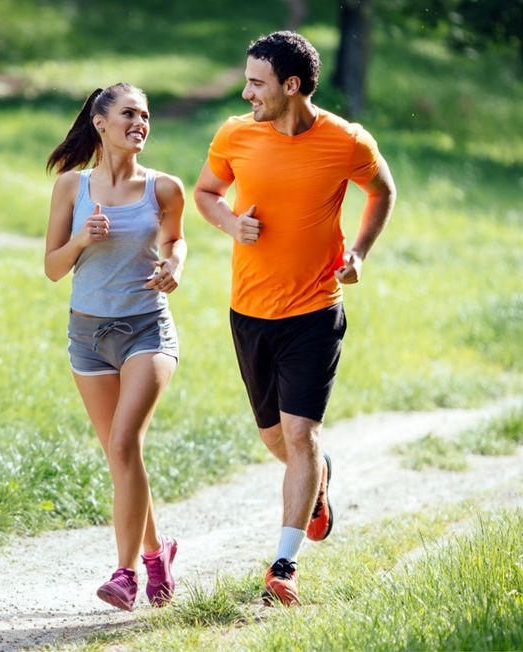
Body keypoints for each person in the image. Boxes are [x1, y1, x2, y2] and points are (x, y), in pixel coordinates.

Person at [192, 31, 397, 606]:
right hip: (250, 312)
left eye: (256, 82)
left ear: (291, 85)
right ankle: (318, 478)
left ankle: (283, 567)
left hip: (314, 312)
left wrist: (359, 253)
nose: (244, 91)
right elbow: (206, 192)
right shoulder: (236, 134)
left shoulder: (346, 140)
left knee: (301, 434)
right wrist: (230, 224)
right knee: (276, 439)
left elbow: (382, 193)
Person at [44, 82, 187, 611]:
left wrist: (175, 264)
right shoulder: (70, 188)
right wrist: (81, 238)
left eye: (146, 115)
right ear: (100, 123)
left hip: (146, 330)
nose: (140, 123)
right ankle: (157, 554)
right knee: (120, 456)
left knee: (124, 444)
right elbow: (53, 269)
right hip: (87, 335)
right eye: (129, 113)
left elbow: (175, 239)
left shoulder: (164, 187)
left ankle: (125, 573)